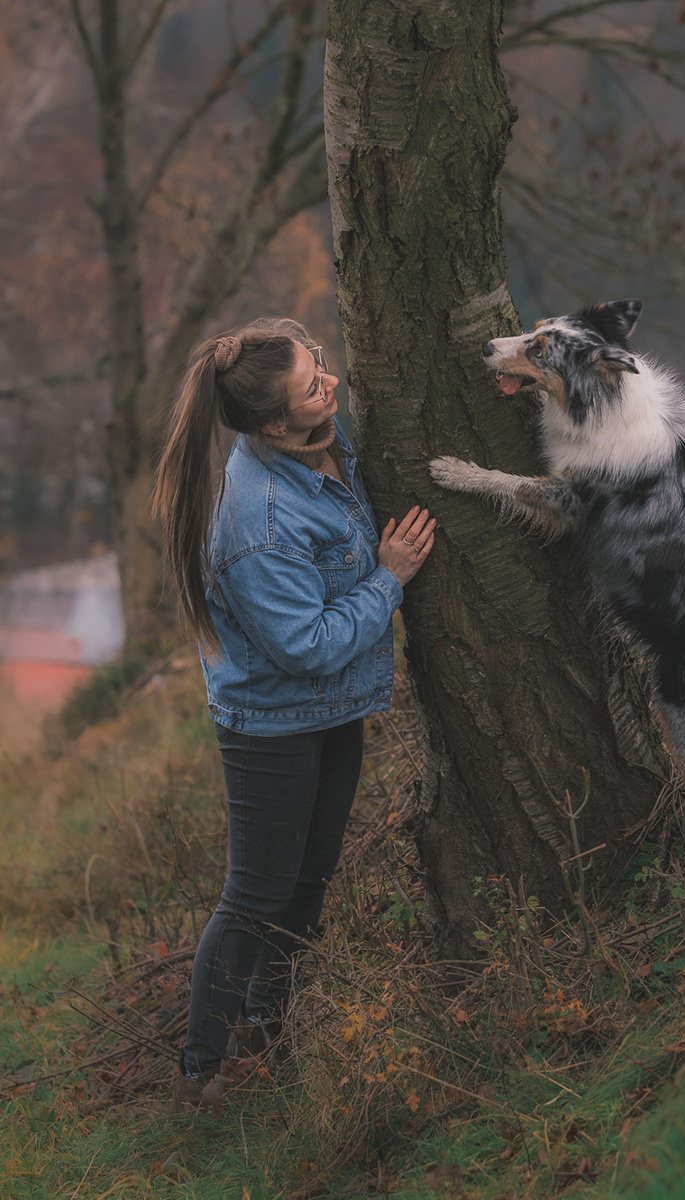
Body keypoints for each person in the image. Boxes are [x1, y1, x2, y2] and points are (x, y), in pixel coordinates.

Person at [153, 317, 435, 1113]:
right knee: (255, 895)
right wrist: (390, 579)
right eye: (315, 386)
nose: (332, 385)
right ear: (275, 424)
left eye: (321, 367)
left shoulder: (318, 444)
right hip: (274, 725)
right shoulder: (259, 523)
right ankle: (198, 1075)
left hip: (333, 710)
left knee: (307, 883)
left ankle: (269, 1035)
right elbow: (306, 645)